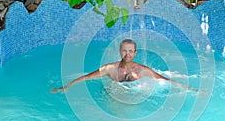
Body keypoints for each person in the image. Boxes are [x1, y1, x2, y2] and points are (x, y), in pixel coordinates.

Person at [51, 39, 198, 93]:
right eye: (124, 51)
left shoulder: (142, 71)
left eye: (130, 51)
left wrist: (192, 90)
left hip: (133, 92)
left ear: (135, 53)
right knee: (116, 94)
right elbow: (86, 77)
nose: (127, 54)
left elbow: (165, 80)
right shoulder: (110, 69)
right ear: (120, 52)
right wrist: (65, 87)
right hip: (113, 92)